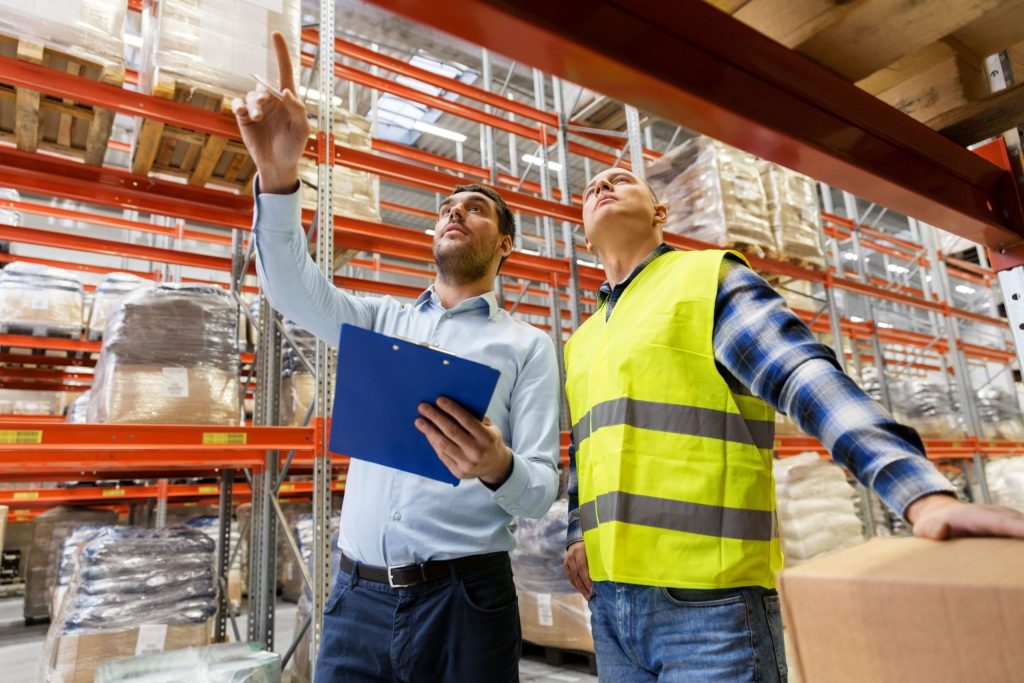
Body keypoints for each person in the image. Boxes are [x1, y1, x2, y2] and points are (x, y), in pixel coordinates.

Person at [562, 166, 1024, 682]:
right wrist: (575, 536)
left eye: (621, 181)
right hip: (610, 607)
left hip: (707, 605)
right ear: (582, 231)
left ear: (659, 213)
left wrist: (920, 493)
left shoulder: (703, 281)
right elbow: (587, 451)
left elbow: (803, 375)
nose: (601, 187)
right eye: (590, 189)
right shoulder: (581, 341)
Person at [232, 34, 560, 682]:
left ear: (507, 247)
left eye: (474, 208)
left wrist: (498, 466)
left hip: (466, 601)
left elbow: (541, 493)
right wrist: (277, 178)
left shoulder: (528, 346)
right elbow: (292, 288)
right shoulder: (383, 321)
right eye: (444, 209)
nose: (452, 213)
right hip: (358, 599)